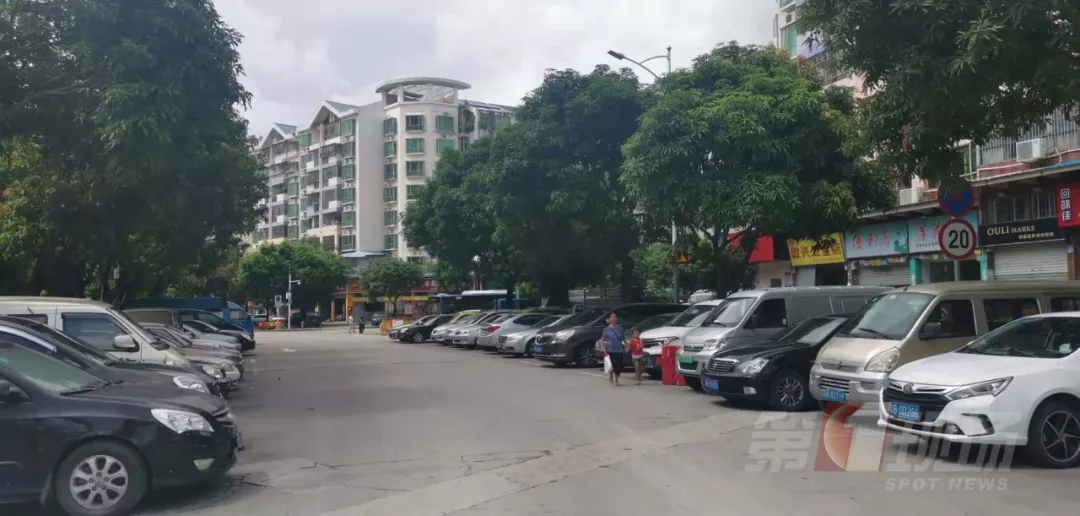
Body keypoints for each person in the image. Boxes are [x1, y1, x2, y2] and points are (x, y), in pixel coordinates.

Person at [600, 312, 626, 386]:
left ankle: (616, 379)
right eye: (612, 317)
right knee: (611, 365)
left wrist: (627, 345)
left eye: (615, 317)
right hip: (609, 349)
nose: (614, 319)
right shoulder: (606, 329)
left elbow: (623, 339)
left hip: (619, 349)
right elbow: (603, 339)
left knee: (618, 366)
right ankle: (611, 375)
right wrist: (603, 347)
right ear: (609, 319)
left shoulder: (620, 329)